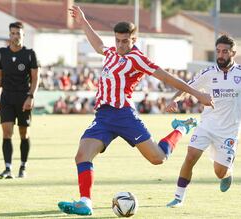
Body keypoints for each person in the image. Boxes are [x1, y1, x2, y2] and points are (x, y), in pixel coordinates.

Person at [57, 5, 214, 216]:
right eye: (118, 41)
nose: (120, 45)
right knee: (82, 155)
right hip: (103, 116)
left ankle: (180, 129)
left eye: (125, 41)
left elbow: (167, 77)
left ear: (134, 40)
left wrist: (198, 94)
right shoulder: (112, 52)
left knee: (158, 158)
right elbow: (98, 46)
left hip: (124, 115)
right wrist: (83, 22)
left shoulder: (138, 59)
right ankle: (85, 202)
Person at [165, 35, 241, 208]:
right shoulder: (207, 73)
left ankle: (227, 173)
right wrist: (175, 100)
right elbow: (187, 87)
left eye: (225, 51)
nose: (220, 55)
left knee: (219, 172)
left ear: (233, 53)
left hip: (229, 131)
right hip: (206, 126)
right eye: (218, 51)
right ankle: (178, 197)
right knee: (191, 156)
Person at [0, 21, 39, 179]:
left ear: (23, 35)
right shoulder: (1, 53)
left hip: (23, 98)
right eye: (12, 33)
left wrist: (31, 96)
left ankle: (23, 166)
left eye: (18, 33)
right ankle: (7, 168)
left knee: (24, 134)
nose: (15, 36)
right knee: (6, 133)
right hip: (6, 97)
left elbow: (35, 78)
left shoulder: (29, 54)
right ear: (9, 35)